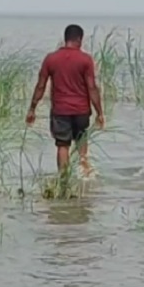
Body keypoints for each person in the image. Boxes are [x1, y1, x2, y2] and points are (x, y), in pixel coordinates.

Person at [26, 24, 105, 176]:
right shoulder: (85, 60)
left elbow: (40, 86)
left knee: (62, 145)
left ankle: (63, 180)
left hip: (60, 110)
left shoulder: (51, 59)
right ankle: (84, 174)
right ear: (80, 39)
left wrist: (32, 109)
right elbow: (92, 88)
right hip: (81, 110)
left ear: (65, 39)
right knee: (81, 138)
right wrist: (99, 112)